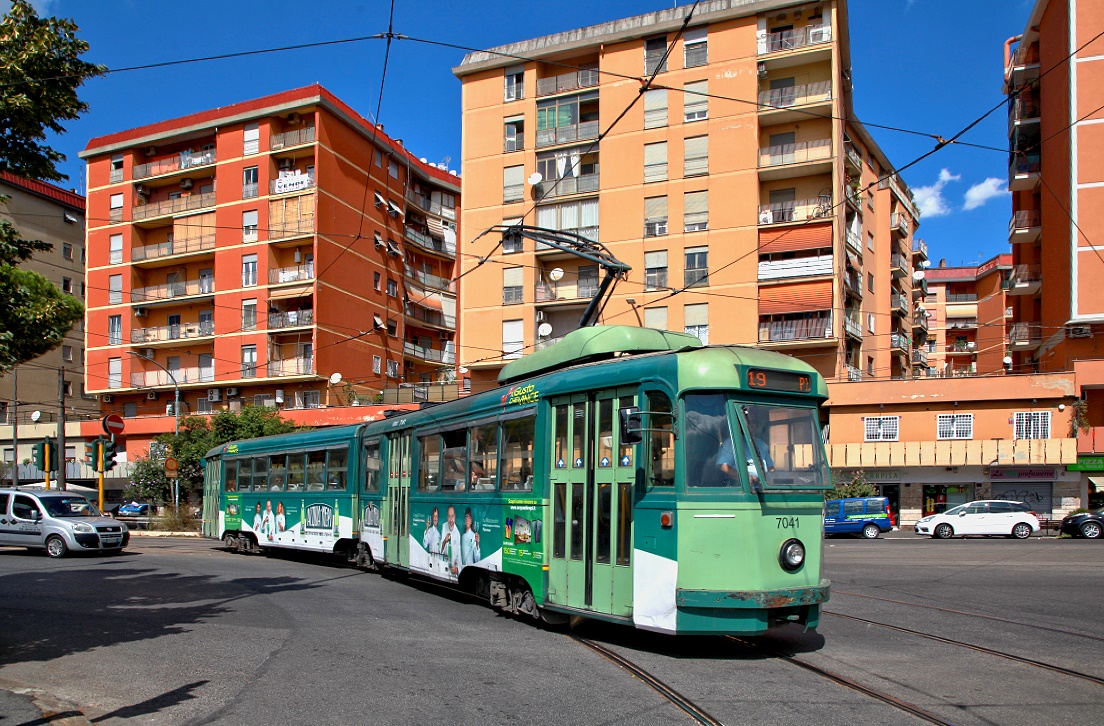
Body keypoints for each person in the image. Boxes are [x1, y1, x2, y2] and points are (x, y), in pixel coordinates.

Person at [440, 504, 463, 575]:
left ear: (455, 517)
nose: (451, 520)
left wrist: (457, 569)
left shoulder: (457, 534)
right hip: (443, 567)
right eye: (449, 516)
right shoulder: (444, 527)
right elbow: (440, 551)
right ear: (447, 517)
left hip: (453, 569)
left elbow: (459, 556)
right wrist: (444, 541)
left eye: (452, 516)